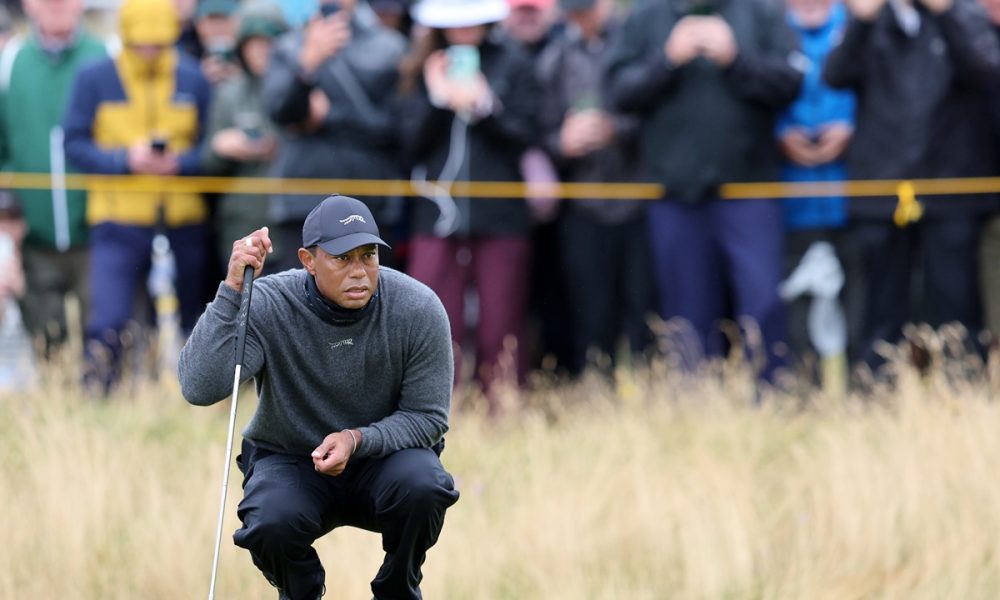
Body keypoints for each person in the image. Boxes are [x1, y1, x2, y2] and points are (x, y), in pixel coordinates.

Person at [178, 194, 460, 600]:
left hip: (382, 459)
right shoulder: (271, 302)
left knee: (426, 484)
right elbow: (199, 387)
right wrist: (233, 289)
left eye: (368, 256)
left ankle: (398, 589)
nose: (360, 272)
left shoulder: (417, 307)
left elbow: (429, 419)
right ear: (308, 261)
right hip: (290, 456)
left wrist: (356, 439)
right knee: (269, 521)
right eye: (342, 259)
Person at [605, 0, 803, 381]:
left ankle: (773, 396)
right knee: (686, 314)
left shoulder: (760, 12)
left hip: (749, 190)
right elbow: (619, 92)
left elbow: (790, 83)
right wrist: (667, 60)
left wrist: (736, 59)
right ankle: (695, 407)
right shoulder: (647, 16)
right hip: (675, 195)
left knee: (762, 302)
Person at [824, 0, 1000, 370]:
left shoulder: (964, 14)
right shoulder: (869, 19)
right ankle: (876, 391)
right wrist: (861, 20)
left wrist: (945, 11)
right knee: (879, 307)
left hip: (952, 190)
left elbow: (986, 69)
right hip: (880, 190)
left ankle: (962, 386)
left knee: (956, 305)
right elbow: (834, 74)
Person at [63, 0, 212, 391]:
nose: (149, 50)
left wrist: (181, 163)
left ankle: (199, 401)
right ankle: (99, 395)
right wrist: (124, 159)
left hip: (183, 218)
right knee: (109, 320)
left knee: (197, 319)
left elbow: (212, 148)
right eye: (140, 43)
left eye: (158, 43)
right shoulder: (93, 78)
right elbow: (73, 143)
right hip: (116, 220)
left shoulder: (194, 79)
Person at [401, 0, 541, 406]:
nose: (463, 31)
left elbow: (526, 135)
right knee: (436, 322)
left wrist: (484, 105)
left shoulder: (514, 62)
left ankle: (504, 408)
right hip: (435, 218)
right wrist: (437, 100)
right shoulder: (423, 65)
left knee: (502, 320)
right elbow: (408, 145)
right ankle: (434, 410)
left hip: (501, 217)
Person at [535, 0, 654, 375]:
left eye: (587, 11)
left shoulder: (639, 43)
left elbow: (663, 120)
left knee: (644, 312)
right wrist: (562, 143)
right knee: (590, 313)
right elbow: (538, 132)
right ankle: (593, 393)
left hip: (640, 203)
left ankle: (650, 391)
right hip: (583, 206)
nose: (581, 21)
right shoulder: (555, 58)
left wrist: (615, 129)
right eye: (574, 14)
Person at [264, 0, 409, 271]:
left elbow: (397, 128)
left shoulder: (389, 47)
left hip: (371, 201)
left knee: (369, 301)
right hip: (303, 201)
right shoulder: (288, 46)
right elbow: (279, 114)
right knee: (300, 302)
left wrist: (330, 117)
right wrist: (307, 65)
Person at [0, 0, 107, 358]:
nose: (57, 5)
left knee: (103, 342)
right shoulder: (12, 59)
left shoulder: (105, 53)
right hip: (34, 234)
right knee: (48, 343)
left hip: (96, 230)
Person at [203, 0, 288, 270]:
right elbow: (206, 164)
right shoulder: (229, 94)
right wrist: (221, 147)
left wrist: (280, 146)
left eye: (269, 41)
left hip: (291, 223)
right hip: (242, 225)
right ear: (242, 47)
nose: (262, 51)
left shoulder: (297, 89)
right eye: (254, 42)